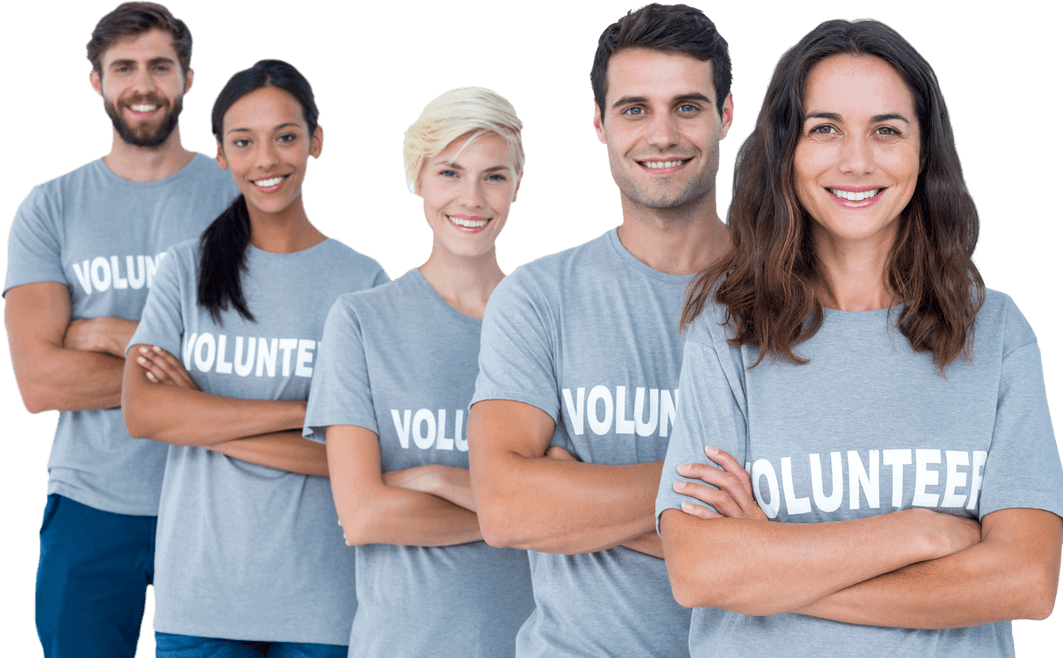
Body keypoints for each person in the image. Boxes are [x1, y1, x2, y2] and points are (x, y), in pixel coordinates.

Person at [656, 17, 1063, 657]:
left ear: (924, 152)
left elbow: (1025, 580)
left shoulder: (994, 331)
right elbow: (700, 571)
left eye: (886, 130)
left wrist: (775, 568)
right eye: (824, 129)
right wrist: (921, 532)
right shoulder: (727, 331)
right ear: (785, 151)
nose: (857, 160)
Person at [467, 4, 734, 656]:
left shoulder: (797, 298)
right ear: (600, 124)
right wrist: (721, 503)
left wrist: (580, 498)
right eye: (635, 109)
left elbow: (818, 516)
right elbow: (506, 509)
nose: (662, 134)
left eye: (688, 107)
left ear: (726, 115)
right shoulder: (537, 297)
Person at [121, 58, 388, 656]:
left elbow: (355, 463)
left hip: (322, 606)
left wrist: (197, 416)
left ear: (316, 141)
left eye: (286, 138)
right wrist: (303, 411)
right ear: (220, 152)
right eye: (243, 142)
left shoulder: (361, 280)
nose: (266, 161)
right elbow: (143, 414)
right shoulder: (182, 271)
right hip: (201, 600)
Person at [2, 3, 238, 655]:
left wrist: (101, 330)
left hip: (219, 497)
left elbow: (252, 363)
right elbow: (39, 379)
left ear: (188, 79)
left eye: (160, 67)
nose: (142, 84)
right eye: (124, 68)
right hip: (90, 500)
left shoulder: (238, 200)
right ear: (97, 83)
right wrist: (174, 364)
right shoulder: (49, 206)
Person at [302, 86, 534, 657]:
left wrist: (434, 478)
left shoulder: (545, 324)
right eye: (451, 172)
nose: (472, 198)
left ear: (516, 185)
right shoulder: (360, 321)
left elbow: (570, 502)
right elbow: (362, 515)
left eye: (494, 176)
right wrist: (522, 510)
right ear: (419, 179)